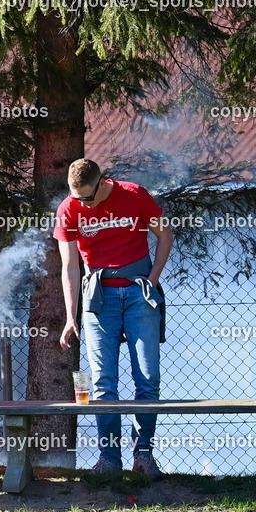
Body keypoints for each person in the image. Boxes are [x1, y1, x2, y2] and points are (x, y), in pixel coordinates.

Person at [55, 158, 173, 478]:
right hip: (98, 298)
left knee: (148, 379)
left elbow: (165, 235)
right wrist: (70, 316)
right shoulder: (69, 209)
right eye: (75, 196)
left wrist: (154, 277)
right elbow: (69, 266)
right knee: (102, 383)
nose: (81, 203)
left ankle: (143, 456)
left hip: (139, 294)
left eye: (87, 197)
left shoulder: (134, 195)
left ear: (103, 182)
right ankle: (109, 459)